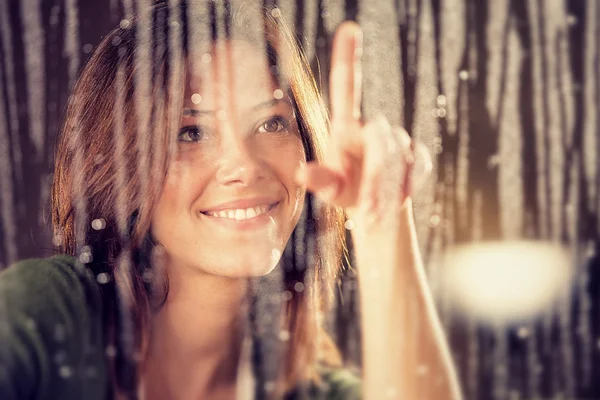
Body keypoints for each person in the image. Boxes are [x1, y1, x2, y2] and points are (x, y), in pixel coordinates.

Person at [0, 1, 462, 399]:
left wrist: (383, 220)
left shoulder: (306, 388)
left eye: (271, 124)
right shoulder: (44, 314)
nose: (244, 165)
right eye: (192, 132)